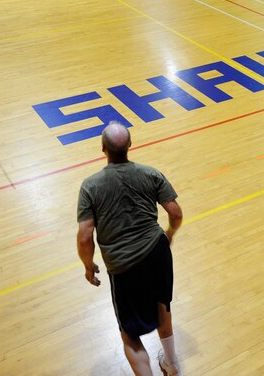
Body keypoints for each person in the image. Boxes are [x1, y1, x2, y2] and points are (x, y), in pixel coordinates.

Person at [77, 122, 184, 376]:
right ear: (130, 146)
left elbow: (84, 237)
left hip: (124, 265)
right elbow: (176, 214)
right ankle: (171, 364)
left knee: (130, 335)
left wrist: (88, 265)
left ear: (103, 148)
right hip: (157, 252)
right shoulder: (151, 173)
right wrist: (169, 234)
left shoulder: (90, 186)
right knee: (162, 307)